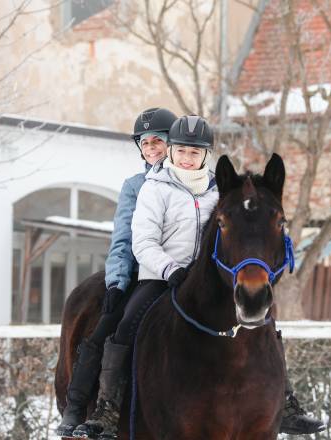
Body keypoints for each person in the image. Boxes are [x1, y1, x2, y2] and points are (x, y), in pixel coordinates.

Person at [71, 115, 219, 439]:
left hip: (204, 282)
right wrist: (170, 269)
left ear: (206, 155)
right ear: (173, 152)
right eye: (181, 151)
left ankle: (285, 401)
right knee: (124, 328)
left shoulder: (217, 192)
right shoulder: (154, 187)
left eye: (195, 153)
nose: (186, 158)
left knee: (257, 318)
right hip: (159, 277)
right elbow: (141, 240)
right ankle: (107, 408)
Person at [55, 107, 177, 437]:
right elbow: (122, 238)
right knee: (105, 330)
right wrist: (116, 283)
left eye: (158, 142)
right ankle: (79, 407)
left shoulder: (192, 181)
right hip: (143, 274)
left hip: (184, 276)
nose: (151, 149)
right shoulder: (135, 186)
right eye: (145, 143)